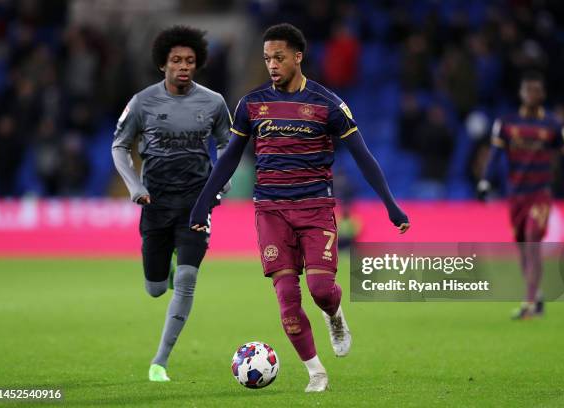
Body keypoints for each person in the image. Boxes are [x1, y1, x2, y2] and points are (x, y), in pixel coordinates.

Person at [189, 23, 409, 392]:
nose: (272, 64)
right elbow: (228, 159)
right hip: (270, 212)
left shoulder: (328, 104)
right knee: (288, 297)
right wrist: (203, 205)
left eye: (278, 57)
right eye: (266, 58)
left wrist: (390, 204)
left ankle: (335, 315)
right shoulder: (252, 105)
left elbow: (363, 156)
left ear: (298, 57)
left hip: (315, 208)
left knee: (321, 289)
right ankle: (316, 372)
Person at [111, 26, 231, 382]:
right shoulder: (142, 101)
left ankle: (159, 361)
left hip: (196, 201)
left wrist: (217, 187)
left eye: (190, 61)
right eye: (176, 60)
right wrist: (134, 186)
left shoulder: (214, 102)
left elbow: (228, 146)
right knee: (156, 289)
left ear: (197, 64)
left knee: (188, 278)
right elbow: (119, 146)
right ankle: (172, 261)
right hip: (156, 201)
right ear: (163, 63)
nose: (183, 66)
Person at [477, 71, 564, 319]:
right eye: (528, 90)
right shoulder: (507, 124)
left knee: (533, 238)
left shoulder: (554, 126)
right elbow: (494, 156)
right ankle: (537, 296)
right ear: (521, 93)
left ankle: (528, 302)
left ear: (542, 94)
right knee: (523, 245)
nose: (532, 94)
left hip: (540, 193)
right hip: (516, 194)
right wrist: (484, 181)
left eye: (536, 90)